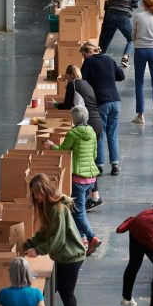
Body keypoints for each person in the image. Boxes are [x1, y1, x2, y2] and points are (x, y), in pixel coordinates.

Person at [24, 174, 86, 306]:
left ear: (43, 190)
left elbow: (57, 240)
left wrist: (38, 250)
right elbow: (45, 233)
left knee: (67, 294)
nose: (35, 197)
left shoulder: (56, 209)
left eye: (36, 193)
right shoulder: (48, 207)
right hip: (63, 257)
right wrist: (28, 244)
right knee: (64, 291)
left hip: (71, 257)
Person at [44, 105, 101, 256]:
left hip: (78, 179)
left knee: (78, 212)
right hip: (91, 179)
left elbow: (63, 150)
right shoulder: (92, 132)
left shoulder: (73, 133)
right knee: (79, 210)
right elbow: (95, 154)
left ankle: (91, 237)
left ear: (74, 119)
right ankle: (83, 240)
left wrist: (51, 146)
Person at [53, 65, 104, 212]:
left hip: (88, 121)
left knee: (86, 160)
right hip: (97, 121)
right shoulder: (86, 83)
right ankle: (94, 196)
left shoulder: (72, 84)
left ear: (70, 75)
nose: (66, 80)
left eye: (66, 77)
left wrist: (55, 105)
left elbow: (68, 105)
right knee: (90, 159)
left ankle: (93, 197)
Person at [80, 41, 125, 176]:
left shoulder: (89, 62)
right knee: (113, 135)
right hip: (115, 101)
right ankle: (115, 165)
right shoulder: (109, 59)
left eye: (83, 55)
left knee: (100, 134)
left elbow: (82, 80)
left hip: (101, 102)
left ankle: (99, 166)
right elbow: (121, 75)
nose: (83, 58)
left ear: (88, 52)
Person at [98, 0, 140, 68]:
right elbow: (136, 4)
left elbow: (110, 2)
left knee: (106, 38)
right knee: (132, 39)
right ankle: (125, 57)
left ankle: (98, 58)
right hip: (123, 17)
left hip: (110, 15)